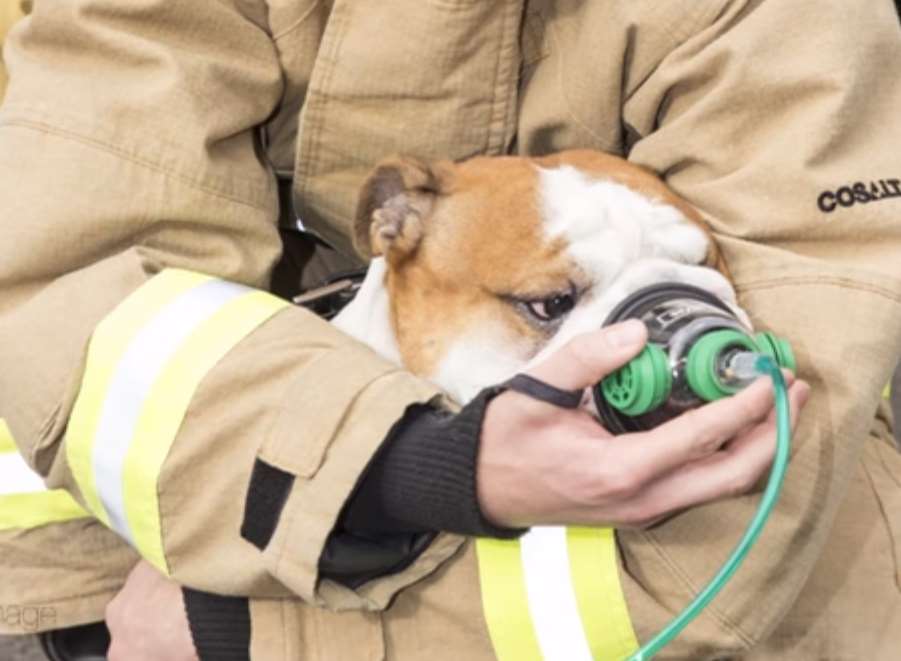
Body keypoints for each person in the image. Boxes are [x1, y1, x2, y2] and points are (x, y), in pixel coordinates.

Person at [0, 1, 899, 660]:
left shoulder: (785, 24)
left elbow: (785, 452)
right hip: (100, 589)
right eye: (551, 303)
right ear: (386, 227)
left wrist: (250, 630)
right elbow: (77, 286)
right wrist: (412, 466)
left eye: (691, 277)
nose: (629, 340)